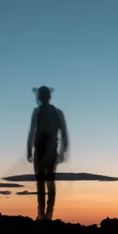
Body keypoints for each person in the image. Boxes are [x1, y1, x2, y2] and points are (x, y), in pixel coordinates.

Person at [26, 85, 69, 220]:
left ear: (39, 97)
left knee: (41, 182)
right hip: (51, 150)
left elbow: (32, 131)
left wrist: (29, 148)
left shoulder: (38, 111)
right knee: (50, 181)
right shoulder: (57, 112)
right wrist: (63, 150)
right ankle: (47, 214)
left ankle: (42, 214)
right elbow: (64, 133)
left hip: (41, 149)